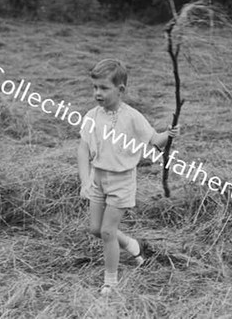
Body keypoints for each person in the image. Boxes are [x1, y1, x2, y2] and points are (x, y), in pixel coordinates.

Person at [77, 59, 180, 295]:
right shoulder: (92, 116)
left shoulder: (132, 117)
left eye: (103, 88)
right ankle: (131, 245)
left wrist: (170, 133)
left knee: (107, 231)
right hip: (97, 178)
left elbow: (155, 140)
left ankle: (110, 282)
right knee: (95, 228)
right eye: (94, 87)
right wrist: (85, 180)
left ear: (120, 90)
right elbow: (83, 149)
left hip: (121, 181)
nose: (97, 93)